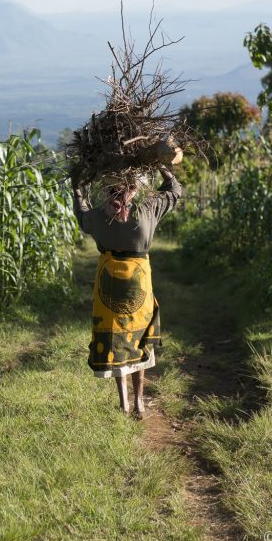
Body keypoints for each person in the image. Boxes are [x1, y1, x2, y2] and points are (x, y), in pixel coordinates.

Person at [71, 158, 182, 418]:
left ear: (108, 189)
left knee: (115, 342)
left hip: (107, 285)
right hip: (138, 286)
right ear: (134, 189)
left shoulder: (99, 217)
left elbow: (81, 216)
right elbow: (174, 190)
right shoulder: (148, 209)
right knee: (138, 341)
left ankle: (124, 403)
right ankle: (139, 403)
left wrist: (77, 187)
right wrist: (161, 166)